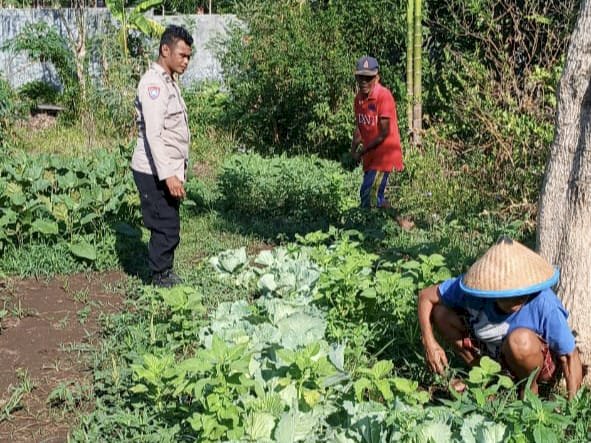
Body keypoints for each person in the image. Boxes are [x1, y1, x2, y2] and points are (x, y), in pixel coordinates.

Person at [418, 236, 583, 399]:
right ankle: (487, 378)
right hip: (492, 352)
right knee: (440, 313)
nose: (519, 298)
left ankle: (528, 391)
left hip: (531, 360)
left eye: (521, 291)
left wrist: (572, 407)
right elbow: (425, 296)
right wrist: (429, 342)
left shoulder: (544, 303)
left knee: (520, 340)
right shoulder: (472, 290)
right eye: (509, 294)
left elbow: (569, 356)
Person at [131, 25, 193, 288]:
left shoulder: (168, 81)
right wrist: (168, 176)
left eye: (189, 56)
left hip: (165, 167)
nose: (186, 61)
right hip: (153, 170)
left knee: (168, 222)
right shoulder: (154, 84)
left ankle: (163, 271)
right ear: (164, 50)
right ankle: (160, 277)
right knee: (165, 225)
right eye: (182, 55)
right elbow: (154, 136)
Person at [350, 56, 403, 209]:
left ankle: (370, 231)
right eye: (361, 77)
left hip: (384, 156)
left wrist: (362, 151)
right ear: (356, 77)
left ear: (377, 77)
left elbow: (384, 133)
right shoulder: (358, 99)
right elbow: (360, 127)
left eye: (368, 78)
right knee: (375, 196)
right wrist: (353, 151)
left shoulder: (383, 96)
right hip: (370, 157)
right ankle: (401, 222)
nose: (364, 82)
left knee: (368, 195)